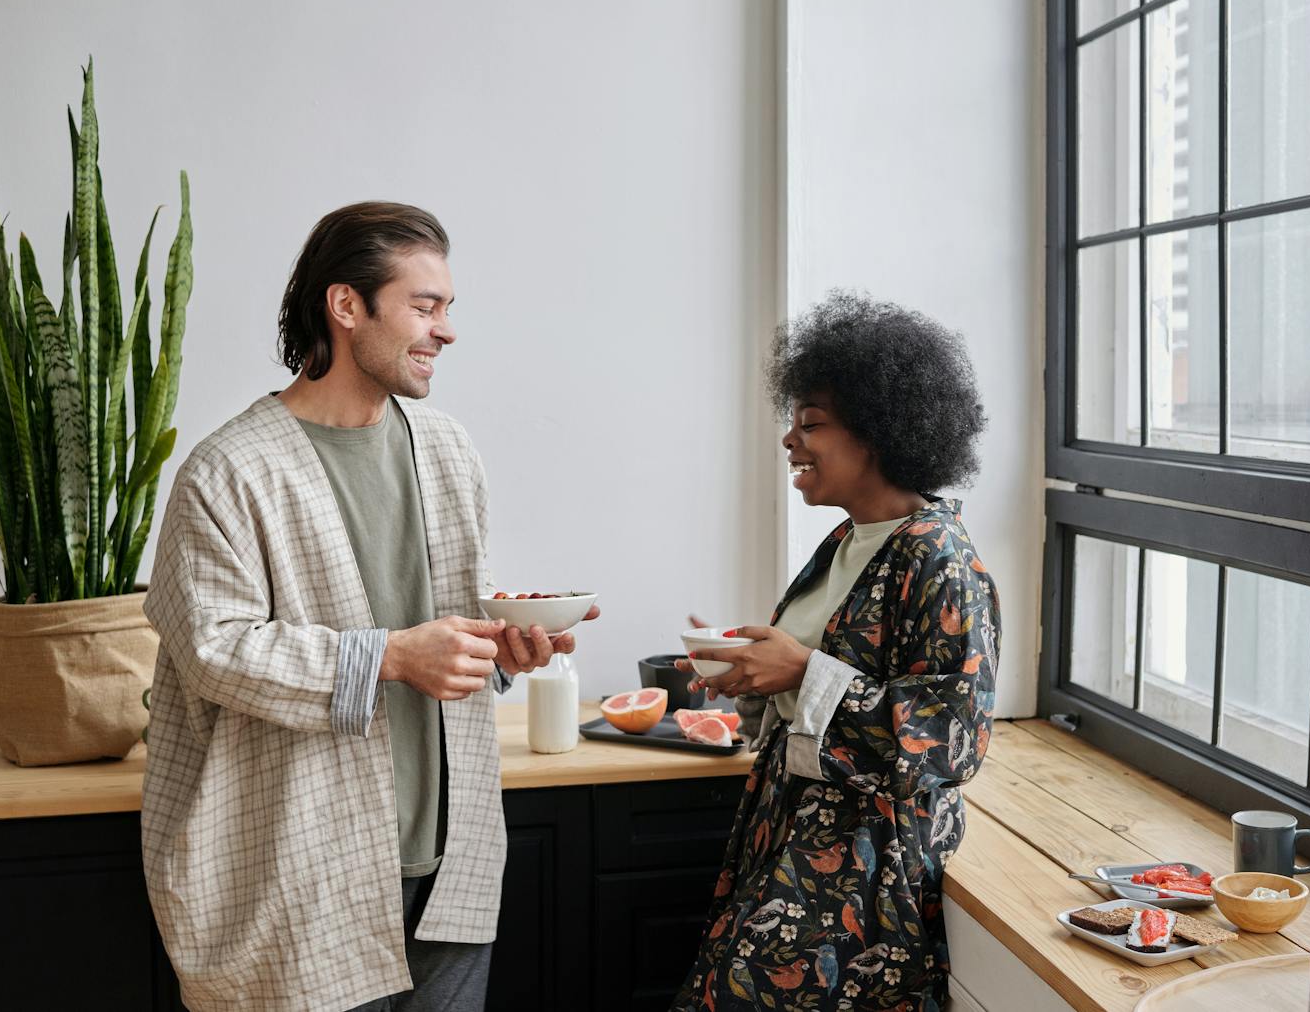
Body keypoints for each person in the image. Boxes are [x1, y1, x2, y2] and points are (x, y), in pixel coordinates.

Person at [141, 202, 595, 1011]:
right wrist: (389, 656)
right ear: (346, 306)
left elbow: (441, 627)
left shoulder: (448, 448)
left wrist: (502, 649)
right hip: (301, 883)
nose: (446, 331)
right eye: (424, 307)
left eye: (448, 308)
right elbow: (213, 650)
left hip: (449, 866)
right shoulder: (228, 472)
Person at [671, 293, 999, 1011]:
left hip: (866, 864)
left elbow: (956, 738)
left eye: (811, 424)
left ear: (878, 434)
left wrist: (800, 672)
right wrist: (756, 673)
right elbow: (824, 674)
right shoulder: (848, 541)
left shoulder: (938, 558)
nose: (791, 440)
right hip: (793, 831)